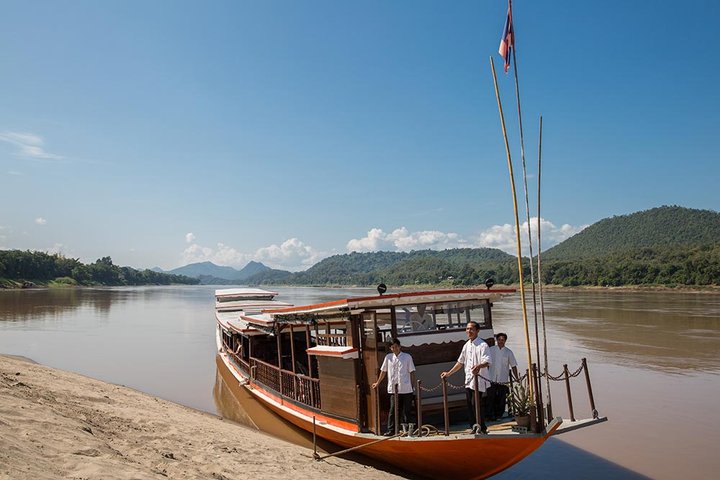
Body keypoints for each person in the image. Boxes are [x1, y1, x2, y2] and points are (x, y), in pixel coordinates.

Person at [440, 321, 492, 433]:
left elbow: (487, 361)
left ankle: (482, 427)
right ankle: (473, 426)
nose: (469, 331)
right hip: (468, 380)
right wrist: (449, 373)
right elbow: (460, 362)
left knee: (476, 404)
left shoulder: (483, 345)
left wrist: (479, 366)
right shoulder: (466, 345)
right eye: (467, 329)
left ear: (477, 331)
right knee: (469, 404)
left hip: (479, 380)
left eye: (471, 329)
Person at [372, 338, 416, 436]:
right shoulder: (388, 358)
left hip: (406, 388)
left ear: (399, 346)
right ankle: (391, 430)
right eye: (392, 347)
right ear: (390, 348)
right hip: (393, 389)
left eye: (396, 346)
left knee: (407, 410)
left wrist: (412, 387)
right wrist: (378, 383)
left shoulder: (407, 357)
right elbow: (383, 371)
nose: (394, 349)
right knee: (393, 410)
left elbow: (412, 372)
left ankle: (409, 431)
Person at [486, 332, 519, 420]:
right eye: (499, 340)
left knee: (501, 398)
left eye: (502, 340)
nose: (501, 341)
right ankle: (489, 415)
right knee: (490, 397)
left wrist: (517, 378)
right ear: (496, 340)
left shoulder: (508, 352)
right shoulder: (491, 349)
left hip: (503, 379)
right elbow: (485, 363)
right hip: (491, 378)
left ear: (505, 341)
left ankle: (499, 415)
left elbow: (513, 366)